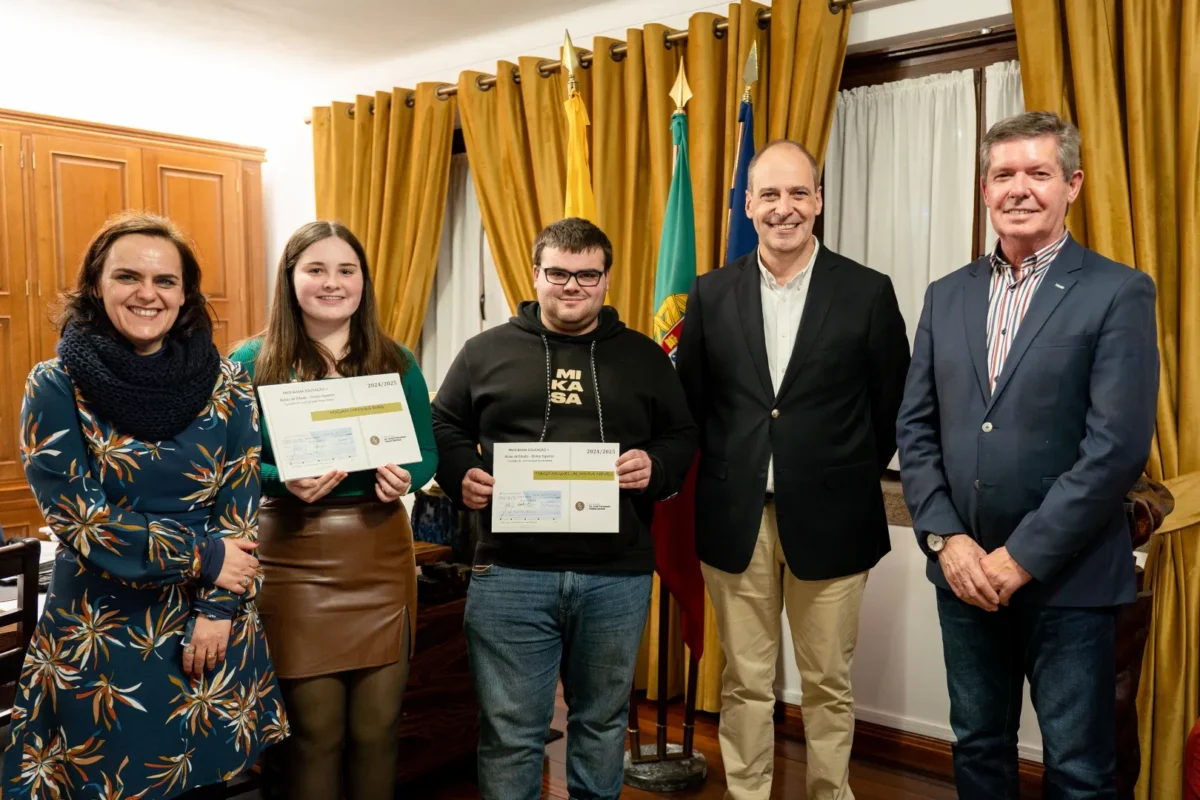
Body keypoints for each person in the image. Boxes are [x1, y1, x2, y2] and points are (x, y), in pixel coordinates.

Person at [896, 111, 1159, 799]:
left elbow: (1116, 447)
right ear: (985, 189)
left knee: (1077, 770)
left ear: (1071, 183)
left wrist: (1020, 558)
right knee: (979, 753)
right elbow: (916, 428)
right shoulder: (945, 295)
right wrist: (945, 539)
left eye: (1038, 173)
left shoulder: (1117, 290)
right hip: (964, 577)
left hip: (1069, 583)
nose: (1019, 188)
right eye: (1003, 174)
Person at [2, 212, 285, 799]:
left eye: (166, 281)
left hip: (207, 622)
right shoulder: (54, 384)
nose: (147, 294)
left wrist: (219, 608)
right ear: (95, 286)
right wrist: (206, 556)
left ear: (186, 295)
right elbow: (79, 516)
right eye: (128, 276)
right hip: (103, 628)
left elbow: (239, 502)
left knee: (209, 783)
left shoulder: (227, 380)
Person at [675, 139, 910, 800]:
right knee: (746, 680)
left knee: (828, 681)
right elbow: (694, 404)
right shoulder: (711, 293)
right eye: (770, 195)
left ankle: (830, 794)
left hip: (835, 520)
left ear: (819, 201)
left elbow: (893, 405)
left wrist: (842, 469)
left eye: (799, 193)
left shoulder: (866, 292)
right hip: (735, 521)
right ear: (748, 206)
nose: (785, 208)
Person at [432, 217, 697, 800]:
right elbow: (443, 423)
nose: (571, 286)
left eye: (586, 275)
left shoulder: (646, 357)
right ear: (536, 275)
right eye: (558, 273)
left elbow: (681, 435)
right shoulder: (485, 352)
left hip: (616, 576)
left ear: (606, 280)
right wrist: (460, 473)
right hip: (509, 574)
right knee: (511, 733)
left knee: (601, 726)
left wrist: (656, 466)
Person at [230, 221, 437, 800]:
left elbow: (425, 454)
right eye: (315, 270)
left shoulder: (395, 359)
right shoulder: (249, 361)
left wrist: (405, 477)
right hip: (292, 557)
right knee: (314, 733)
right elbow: (225, 465)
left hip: (380, 552)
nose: (332, 283)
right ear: (290, 279)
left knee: (377, 729)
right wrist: (279, 479)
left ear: (363, 281)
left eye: (347, 270)